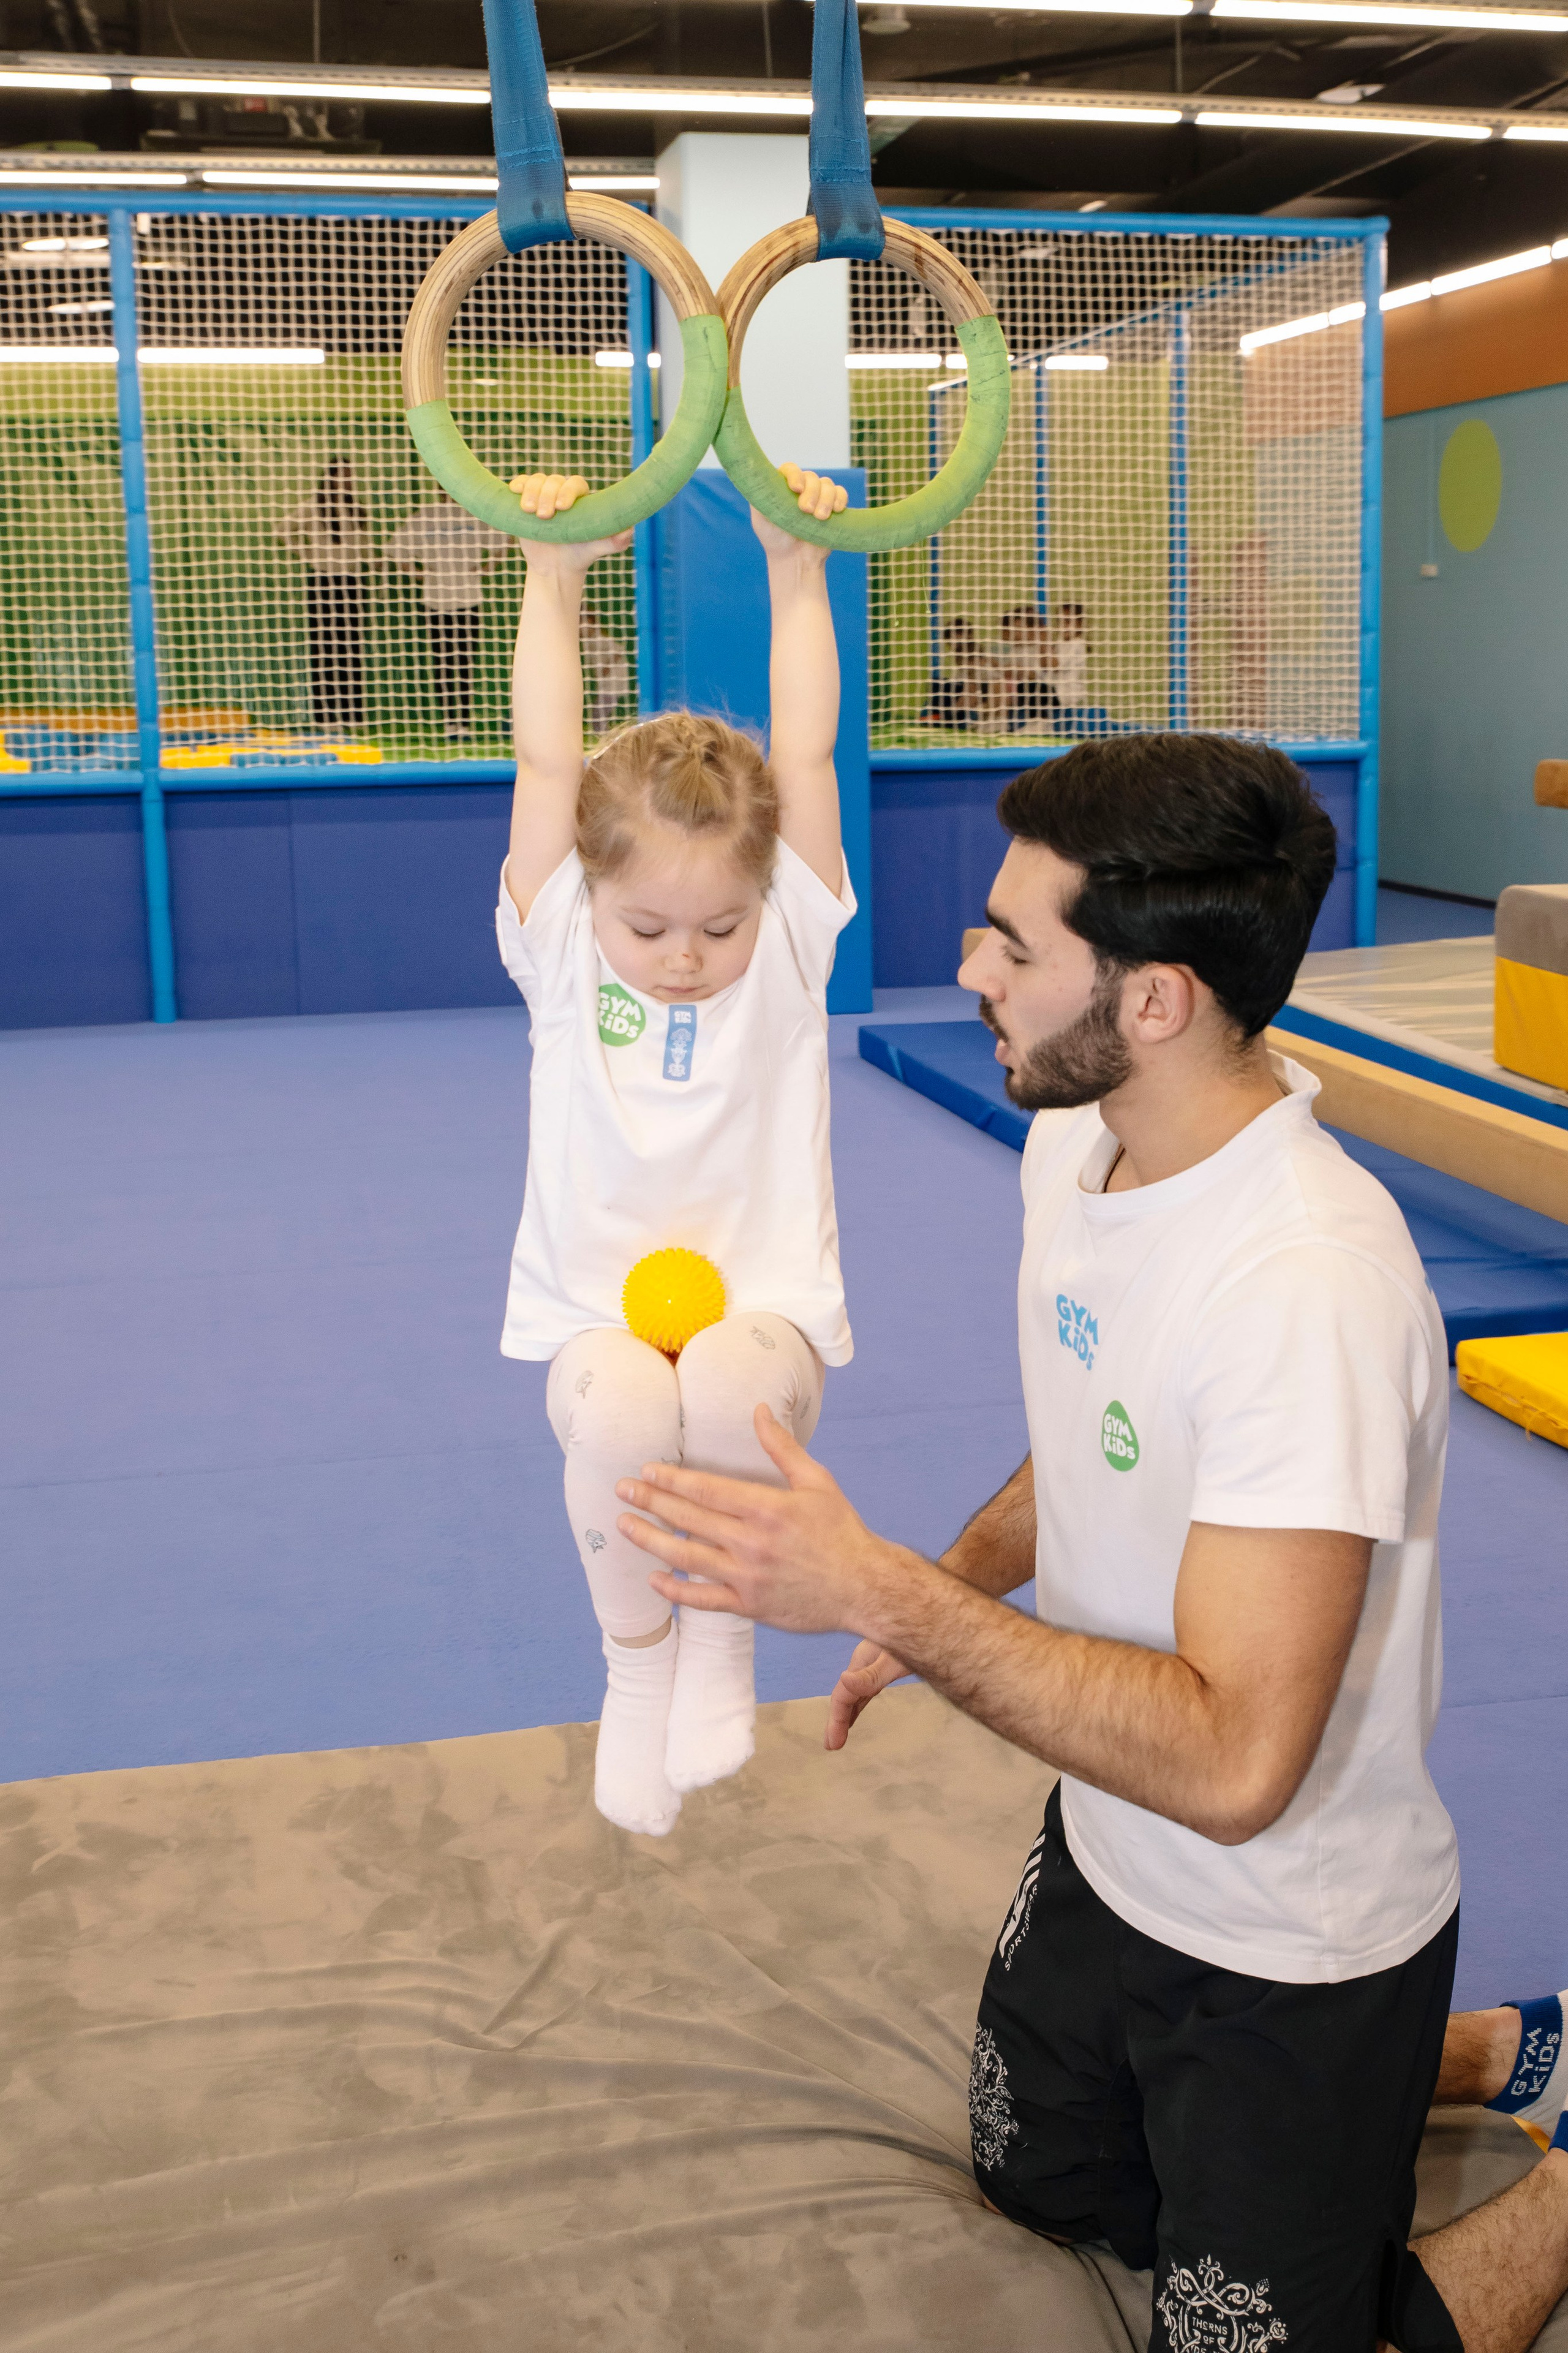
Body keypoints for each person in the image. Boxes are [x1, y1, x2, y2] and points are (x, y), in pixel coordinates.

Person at [611, 731, 1568, 2350]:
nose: (969, 967)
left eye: (1015, 943)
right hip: (1114, 1855)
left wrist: (884, 1591)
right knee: (1032, 2175)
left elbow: (1235, 1764)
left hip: (1290, 1936)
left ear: (1155, 1001)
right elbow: (1096, 1430)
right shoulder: (1082, 1136)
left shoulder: (1303, 1292)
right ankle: (1470, 2059)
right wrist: (939, 1591)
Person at [493, 459, 857, 1840]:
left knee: (714, 1382)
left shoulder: (797, 943)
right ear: (594, 898)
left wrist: (794, 566)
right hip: (597, 1315)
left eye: (718, 928)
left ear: (768, 894)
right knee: (636, 1412)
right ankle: (632, 1668)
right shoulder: (558, 944)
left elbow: (806, 755)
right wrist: (550, 575)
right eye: (650, 931)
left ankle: (718, 1639)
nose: (687, 958)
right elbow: (544, 759)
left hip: (760, 1317)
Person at [385, 491, 510, 741]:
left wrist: (484, 570)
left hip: (469, 598)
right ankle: (449, 719)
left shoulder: (475, 513)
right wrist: (417, 574)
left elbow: (503, 544)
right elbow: (395, 549)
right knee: (442, 660)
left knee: (464, 660)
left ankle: (463, 720)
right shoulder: (426, 516)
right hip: (436, 600)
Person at [275, 459, 372, 734]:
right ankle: (326, 717)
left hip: (351, 583)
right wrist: (307, 555)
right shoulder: (312, 507)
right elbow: (282, 531)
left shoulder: (356, 511)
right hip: (323, 582)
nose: (346, 481)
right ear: (329, 478)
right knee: (324, 648)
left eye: (349, 476)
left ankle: (353, 714)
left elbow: (363, 547)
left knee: (350, 647)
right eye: (341, 476)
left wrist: (370, 560)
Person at [995, 606, 1061, 735]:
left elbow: (1040, 674)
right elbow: (1007, 670)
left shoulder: (1039, 648)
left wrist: (1022, 671)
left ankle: (1040, 722)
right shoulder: (1015, 650)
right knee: (997, 684)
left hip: (1039, 688)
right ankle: (998, 719)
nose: (1016, 632)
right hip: (1017, 687)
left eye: (1020, 628)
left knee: (1027, 686)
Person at [579, 602, 631, 739]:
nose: (579, 628)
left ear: (590, 622)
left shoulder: (598, 638)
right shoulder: (588, 642)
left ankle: (608, 739)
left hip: (613, 683)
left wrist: (606, 668)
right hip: (607, 684)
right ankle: (607, 738)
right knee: (599, 714)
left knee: (598, 714)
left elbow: (618, 650)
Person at [1050, 599, 1088, 713]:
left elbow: (1056, 665)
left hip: (1070, 693)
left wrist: (1044, 646)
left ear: (1079, 624)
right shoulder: (1059, 642)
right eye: (1060, 621)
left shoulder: (1077, 643)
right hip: (1057, 689)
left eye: (1068, 621)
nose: (1063, 626)